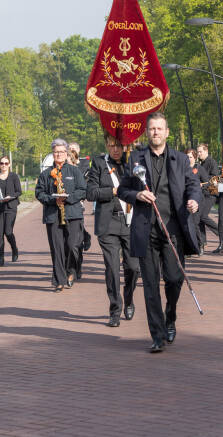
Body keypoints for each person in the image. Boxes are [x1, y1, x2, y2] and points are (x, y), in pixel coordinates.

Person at [117, 112, 200, 353]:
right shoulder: (135, 158)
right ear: (147, 132)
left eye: (159, 128)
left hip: (173, 229)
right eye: (152, 128)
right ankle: (156, 334)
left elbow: (193, 186)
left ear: (167, 132)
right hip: (146, 230)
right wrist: (137, 195)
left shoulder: (181, 159)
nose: (155, 132)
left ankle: (170, 317)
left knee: (174, 279)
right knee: (151, 285)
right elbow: (122, 190)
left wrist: (193, 201)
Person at [86, 135, 140, 327]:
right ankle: (115, 309)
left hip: (131, 222)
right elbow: (91, 193)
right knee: (112, 268)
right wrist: (113, 192)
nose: (115, 149)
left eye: (119, 146)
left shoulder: (133, 162)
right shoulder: (99, 164)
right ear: (107, 146)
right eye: (111, 146)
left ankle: (130, 298)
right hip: (108, 223)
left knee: (133, 267)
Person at [36, 139, 87, 291]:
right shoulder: (45, 174)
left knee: (72, 246)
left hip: (72, 214)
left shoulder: (74, 171)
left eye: (61, 152)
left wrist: (68, 198)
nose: (58, 154)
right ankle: (59, 280)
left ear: (66, 154)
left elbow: (83, 190)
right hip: (53, 215)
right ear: (53, 154)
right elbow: (39, 193)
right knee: (57, 249)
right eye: (56, 152)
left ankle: (71, 270)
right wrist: (53, 199)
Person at [68, 141, 92, 278]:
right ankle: (86, 236)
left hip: (79, 204)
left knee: (77, 237)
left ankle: (78, 265)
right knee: (75, 236)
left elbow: (86, 184)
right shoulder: (64, 165)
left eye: (74, 149)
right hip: (67, 206)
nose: (72, 151)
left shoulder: (83, 165)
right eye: (70, 149)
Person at [0, 155, 21, 267]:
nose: (4, 165)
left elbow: (19, 191)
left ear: (9, 164)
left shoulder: (14, 176)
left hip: (11, 207)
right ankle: (1, 257)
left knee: (8, 232)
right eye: (2, 163)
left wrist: (10, 196)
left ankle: (14, 249)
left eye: (6, 163)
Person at [196, 143, 220, 252]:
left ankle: (220, 231)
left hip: (211, 192)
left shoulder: (212, 162)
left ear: (206, 151)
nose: (199, 154)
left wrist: (203, 183)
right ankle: (203, 242)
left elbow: (214, 178)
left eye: (200, 152)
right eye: (198, 152)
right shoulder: (200, 163)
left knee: (203, 216)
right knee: (199, 218)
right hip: (203, 193)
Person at [185, 148, 206, 255]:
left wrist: (201, 185)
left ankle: (200, 244)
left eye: (191, 157)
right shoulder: (183, 169)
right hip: (186, 200)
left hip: (198, 200)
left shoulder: (199, 168)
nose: (189, 159)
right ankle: (190, 246)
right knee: (187, 223)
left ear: (195, 158)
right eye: (187, 157)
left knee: (195, 223)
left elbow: (207, 181)